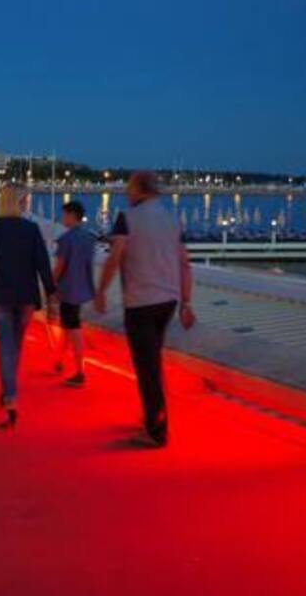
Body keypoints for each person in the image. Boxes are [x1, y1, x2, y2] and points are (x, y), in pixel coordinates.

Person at [94, 170, 196, 448]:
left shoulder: (128, 217)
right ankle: (153, 416)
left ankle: (155, 430)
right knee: (153, 360)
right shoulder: (172, 220)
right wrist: (186, 302)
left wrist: (102, 290)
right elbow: (184, 262)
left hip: (140, 301)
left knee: (146, 366)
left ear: (140, 189)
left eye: (129, 187)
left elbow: (115, 255)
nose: (126, 192)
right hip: (168, 301)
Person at [0, 182, 56, 427]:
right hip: (26, 296)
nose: (28, 203)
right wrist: (51, 292)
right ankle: (9, 390)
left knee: (4, 345)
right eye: (26, 199)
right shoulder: (31, 229)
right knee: (15, 345)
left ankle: (9, 394)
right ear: (20, 202)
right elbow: (42, 263)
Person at [51, 200, 96, 387]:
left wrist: (51, 285)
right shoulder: (89, 238)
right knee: (68, 324)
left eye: (64, 215)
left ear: (71, 215)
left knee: (72, 326)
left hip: (68, 288)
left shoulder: (66, 239)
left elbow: (60, 266)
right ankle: (59, 360)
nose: (63, 219)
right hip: (83, 286)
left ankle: (79, 371)